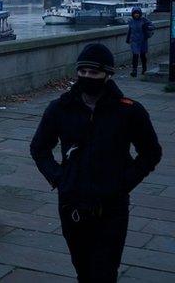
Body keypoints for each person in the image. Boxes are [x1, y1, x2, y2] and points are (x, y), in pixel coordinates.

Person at [30, 43, 162, 283]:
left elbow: (151, 152)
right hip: (72, 206)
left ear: (107, 75)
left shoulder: (130, 111)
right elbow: (39, 148)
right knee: (83, 270)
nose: (86, 77)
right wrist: (59, 178)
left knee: (104, 273)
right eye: (82, 72)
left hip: (111, 207)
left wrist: (124, 182)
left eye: (94, 73)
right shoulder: (60, 108)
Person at [126, 8, 154, 76]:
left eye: (137, 13)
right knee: (135, 55)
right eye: (135, 13)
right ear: (133, 14)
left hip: (143, 40)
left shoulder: (144, 20)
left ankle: (144, 69)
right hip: (134, 41)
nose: (136, 15)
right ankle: (134, 70)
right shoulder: (131, 21)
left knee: (142, 55)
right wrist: (128, 39)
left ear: (140, 14)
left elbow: (152, 26)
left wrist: (147, 27)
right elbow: (130, 30)